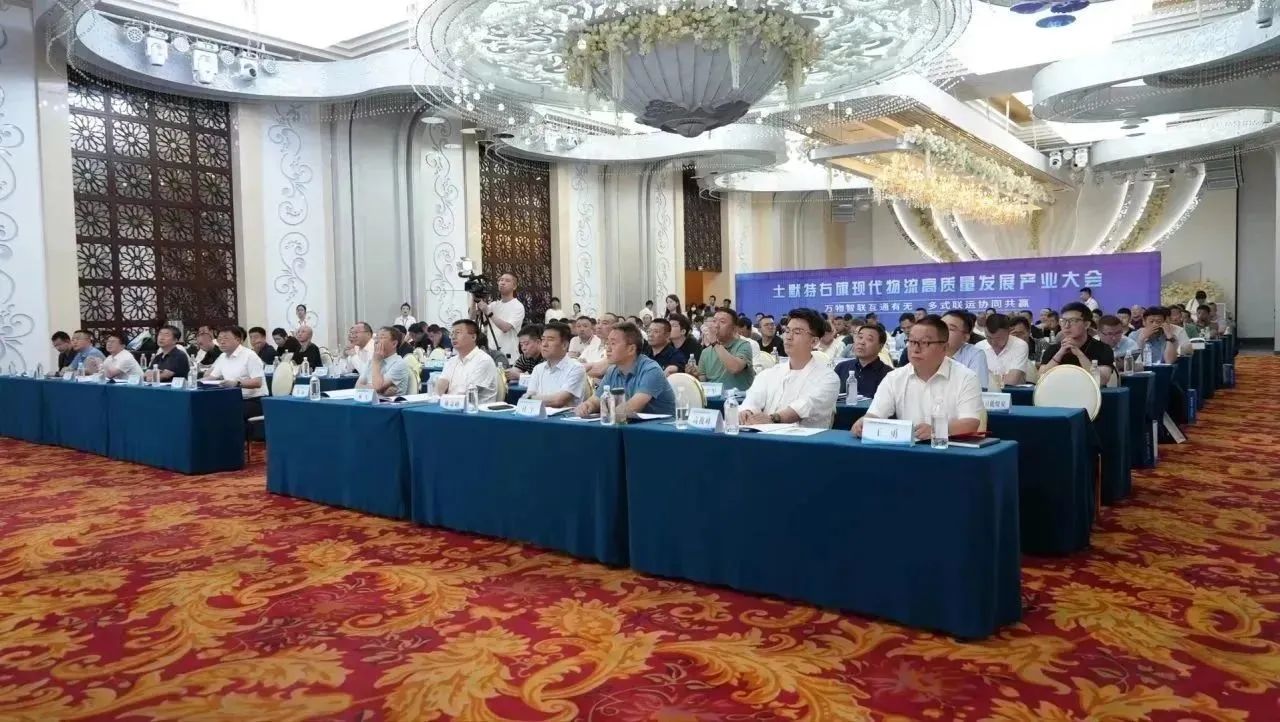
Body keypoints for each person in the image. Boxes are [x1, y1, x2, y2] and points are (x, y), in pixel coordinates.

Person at [852, 315, 983, 441]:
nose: (915, 349)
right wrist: (865, 422)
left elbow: (970, 422)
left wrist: (937, 430)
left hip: (948, 449)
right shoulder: (894, 377)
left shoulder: (966, 377)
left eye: (924, 342)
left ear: (944, 347)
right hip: (909, 450)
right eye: (912, 341)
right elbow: (876, 413)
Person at [737, 308, 840, 429]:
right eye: (787, 330)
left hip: (804, 439)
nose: (788, 337)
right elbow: (751, 400)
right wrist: (747, 412)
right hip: (764, 436)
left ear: (814, 341)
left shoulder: (828, 378)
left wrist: (773, 419)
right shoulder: (769, 373)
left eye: (797, 332)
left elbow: (804, 406)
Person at [574, 321, 675, 418]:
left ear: (631, 349)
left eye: (613, 343)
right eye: (607, 343)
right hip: (628, 425)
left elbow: (631, 408)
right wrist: (587, 406)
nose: (608, 349)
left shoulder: (651, 370)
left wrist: (607, 415)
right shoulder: (612, 370)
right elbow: (597, 399)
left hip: (660, 428)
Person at [1041, 301, 1116, 384]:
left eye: (1073, 321)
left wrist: (1079, 354)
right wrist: (1059, 353)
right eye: (1063, 321)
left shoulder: (1103, 349)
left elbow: (1102, 381)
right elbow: (1041, 378)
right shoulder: (1053, 349)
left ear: (1086, 324)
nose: (1066, 326)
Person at [204, 326, 267, 422]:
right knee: (208, 409)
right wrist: (195, 382)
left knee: (227, 413)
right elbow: (212, 377)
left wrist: (237, 383)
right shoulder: (223, 356)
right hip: (233, 398)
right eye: (219, 339)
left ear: (238, 340)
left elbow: (258, 382)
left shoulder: (250, 355)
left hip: (254, 400)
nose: (222, 342)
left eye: (226, 339)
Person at [686, 308, 754, 393]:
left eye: (722, 322)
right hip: (712, 398)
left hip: (737, 398)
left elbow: (735, 368)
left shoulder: (743, 345)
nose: (716, 325)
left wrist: (715, 343)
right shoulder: (706, 352)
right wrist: (694, 375)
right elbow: (703, 381)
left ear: (734, 328)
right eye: (714, 321)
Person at [524, 322, 586, 408]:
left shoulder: (576, 368)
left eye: (550, 340)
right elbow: (529, 396)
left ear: (564, 345)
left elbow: (559, 401)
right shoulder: (538, 369)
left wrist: (531, 398)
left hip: (564, 416)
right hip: (539, 415)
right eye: (543, 339)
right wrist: (529, 398)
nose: (544, 344)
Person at [435, 319, 499, 403]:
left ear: (473, 337)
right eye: (452, 334)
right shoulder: (451, 361)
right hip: (451, 406)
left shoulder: (484, 360)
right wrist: (440, 395)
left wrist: (445, 398)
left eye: (458, 333)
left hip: (476, 409)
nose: (453, 337)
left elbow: (469, 394)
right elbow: (440, 386)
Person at [475, 272, 525, 362]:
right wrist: (474, 297)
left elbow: (505, 328)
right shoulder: (493, 305)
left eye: (507, 281)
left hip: (508, 357)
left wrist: (488, 312)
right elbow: (472, 315)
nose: (502, 283)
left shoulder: (518, 306)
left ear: (514, 286)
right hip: (491, 355)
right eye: (501, 280)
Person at [834, 323, 892, 398]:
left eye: (869, 339)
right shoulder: (841, 368)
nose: (861, 342)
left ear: (880, 347)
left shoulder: (889, 375)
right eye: (860, 337)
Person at [356, 326, 413, 398]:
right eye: (376, 337)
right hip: (368, 401)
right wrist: (380, 390)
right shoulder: (371, 360)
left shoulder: (399, 363)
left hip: (388, 404)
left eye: (381, 337)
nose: (376, 341)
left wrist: (376, 362)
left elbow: (377, 387)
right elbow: (357, 386)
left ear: (394, 344)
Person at [975, 313, 1028, 387]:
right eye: (989, 337)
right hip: (986, 392)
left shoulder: (1020, 345)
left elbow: (1011, 381)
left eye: (998, 338)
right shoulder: (979, 347)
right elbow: (976, 380)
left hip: (1013, 391)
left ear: (1009, 332)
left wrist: (989, 378)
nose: (993, 342)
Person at [942, 310, 990, 389]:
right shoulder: (927, 351)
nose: (942, 331)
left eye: (951, 329)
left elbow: (977, 389)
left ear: (965, 337)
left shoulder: (975, 355)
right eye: (940, 326)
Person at [583, 314, 616, 378]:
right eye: (598, 323)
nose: (599, 327)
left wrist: (583, 368)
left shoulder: (616, 348)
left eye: (604, 323)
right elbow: (576, 364)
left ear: (615, 327)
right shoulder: (593, 344)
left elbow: (598, 371)